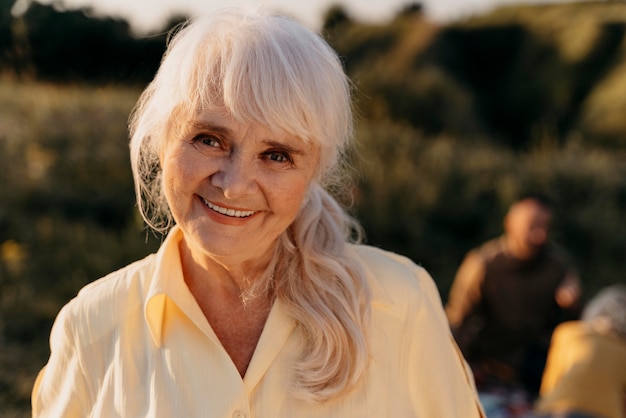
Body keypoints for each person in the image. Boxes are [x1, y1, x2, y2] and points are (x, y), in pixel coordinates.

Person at [31, 8, 484, 417]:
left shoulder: (400, 303)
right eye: (209, 139)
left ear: (314, 174)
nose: (232, 184)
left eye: (278, 155)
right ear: (162, 140)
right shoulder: (91, 327)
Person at [445, 194, 581, 413]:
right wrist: (461, 367)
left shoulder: (558, 265)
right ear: (510, 223)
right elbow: (457, 320)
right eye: (532, 226)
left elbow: (574, 329)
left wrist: (572, 306)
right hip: (486, 367)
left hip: (536, 371)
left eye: (544, 226)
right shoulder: (483, 264)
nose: (539, 234)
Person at [534, 284, 626, 418]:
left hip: (557, 407)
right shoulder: (623, 350)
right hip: (604, 413)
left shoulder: (567, 333)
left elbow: (550, 382)